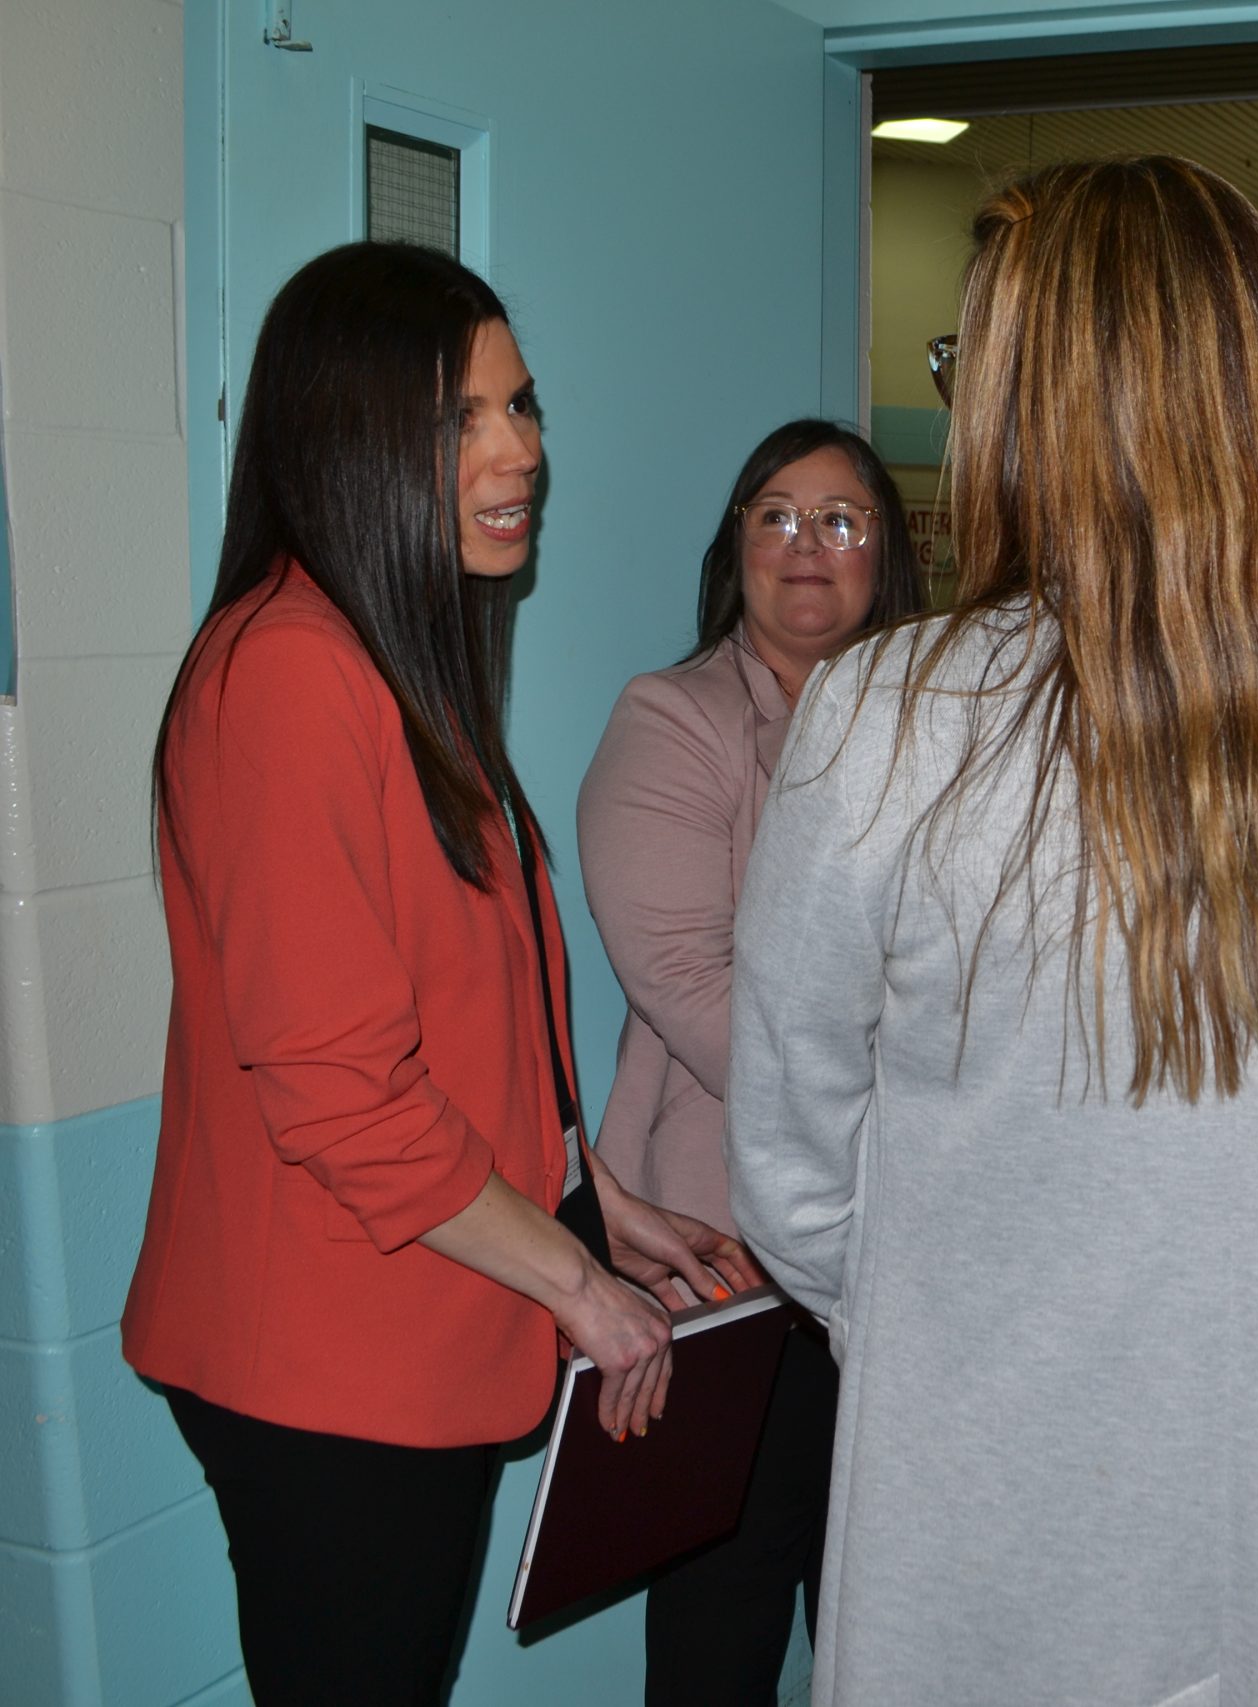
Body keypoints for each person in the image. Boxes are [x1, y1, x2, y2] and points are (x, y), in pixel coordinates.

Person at [722, 156, 1258, 1707]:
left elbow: (797, 1167)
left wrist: (975, 1286)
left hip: (991, 1515)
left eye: (968, 364)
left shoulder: (884, 718)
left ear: (1032, 402)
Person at [122, 242, 759, 1707]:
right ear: (348, 440)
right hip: (328, 1366)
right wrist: (583, 1289)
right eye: (461, 419)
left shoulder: (394, 660)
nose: (518, 449)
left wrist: (600, 1195)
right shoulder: (284, 675)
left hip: (414, 1326)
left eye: (522, 407)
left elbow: (465, 1016)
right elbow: (341, 1090)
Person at [578, 419, 922, 1703]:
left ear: (886, 553)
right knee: (722, 1630)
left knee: (886, 1627)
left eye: (841, 518)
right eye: (774, 514)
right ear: (735, 549)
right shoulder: (673, 720)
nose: (806, 544)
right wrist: (916, 1121)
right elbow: (686, 985)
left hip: (908, 1267)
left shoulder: (938, 730)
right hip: (731, 1251)